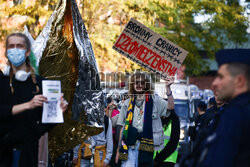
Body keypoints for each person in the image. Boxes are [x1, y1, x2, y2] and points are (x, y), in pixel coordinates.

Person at [0, 33, 68, 167]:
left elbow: (42, 127)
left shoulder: (41, 84)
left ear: (27, 52)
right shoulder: (2, 83)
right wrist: (28, 105)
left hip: (27, 156)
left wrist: (57, 113)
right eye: (11, 46)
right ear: (6, 52)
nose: (15, 49)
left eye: (19, 46)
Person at [115, 71, 174, 167]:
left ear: (147, 85)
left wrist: (168, 88)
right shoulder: (126, 103)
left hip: (147, 146)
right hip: (129, 146)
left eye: (142, 82)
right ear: (132, 85)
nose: (139, 85)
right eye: (136, 82)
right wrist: (118, 150)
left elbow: (170, 107)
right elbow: (122, 127)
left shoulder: (155, 100)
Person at [154, 78, 180, 167]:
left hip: (168, 159)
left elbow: (173, 143)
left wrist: (158, 159)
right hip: (154, 159)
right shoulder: (157, 119)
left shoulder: (174, 120)